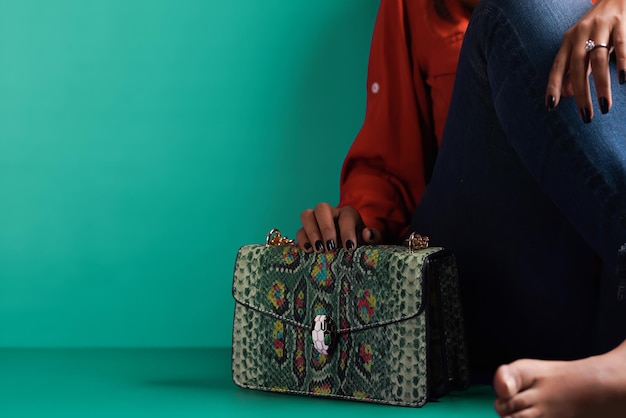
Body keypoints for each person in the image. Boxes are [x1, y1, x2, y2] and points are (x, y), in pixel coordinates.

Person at [296, 0, 626, 416]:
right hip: (494, 288)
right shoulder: (408, 8)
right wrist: (359, 220)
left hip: (609, 300)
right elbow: (389, 168)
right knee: (510, 11)